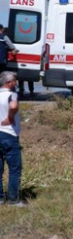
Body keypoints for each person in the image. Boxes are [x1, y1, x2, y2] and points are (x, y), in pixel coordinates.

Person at [0, 72, 23, 207]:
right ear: (9, 83)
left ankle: (0, 197)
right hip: (9, 134)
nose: (16, 83)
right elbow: (13, 106)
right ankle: (13, 199)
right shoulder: (12, 95)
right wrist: (10, 117)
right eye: (14, 81)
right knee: (14, 168)